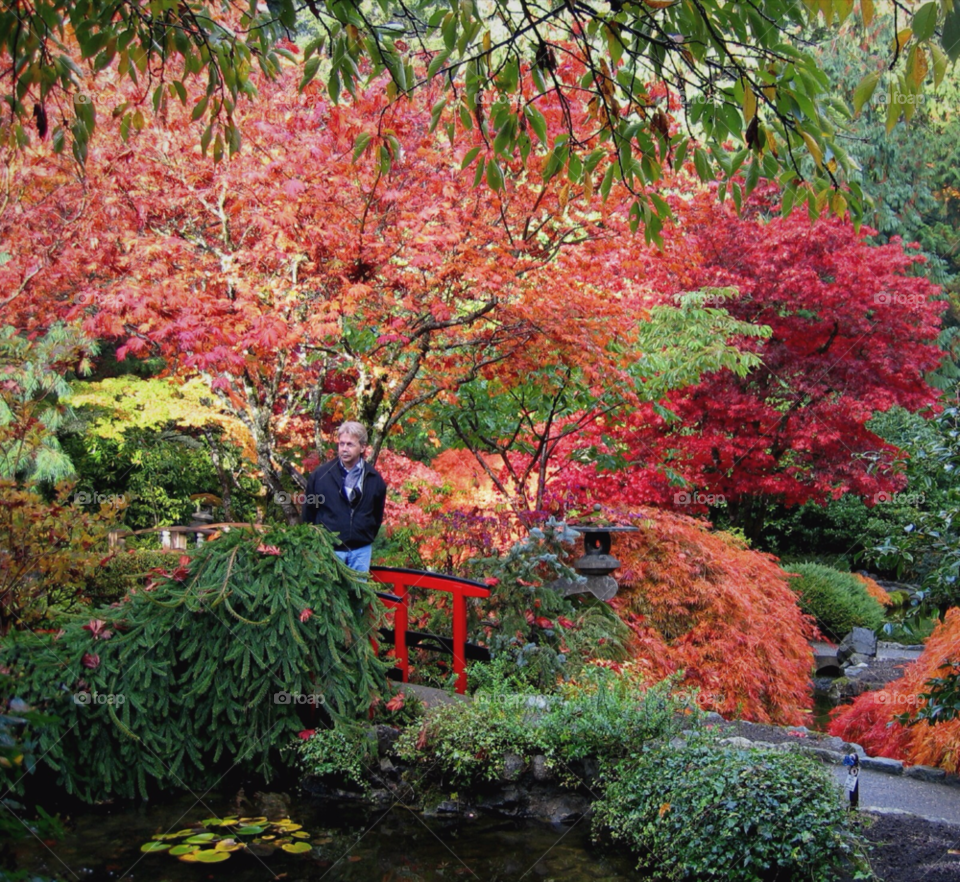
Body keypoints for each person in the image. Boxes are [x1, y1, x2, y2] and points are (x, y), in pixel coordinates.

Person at [301, 421, 387, 572]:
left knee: (358, 594)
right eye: (341, 444)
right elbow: (309, 513)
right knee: (330, 594)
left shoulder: (374, 478)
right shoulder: (320, 476)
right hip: (328, 549)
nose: (344, 449)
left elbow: (376, 514)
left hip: (361, 550)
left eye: (350, 444)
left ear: (362, 447)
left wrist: (363, 534)